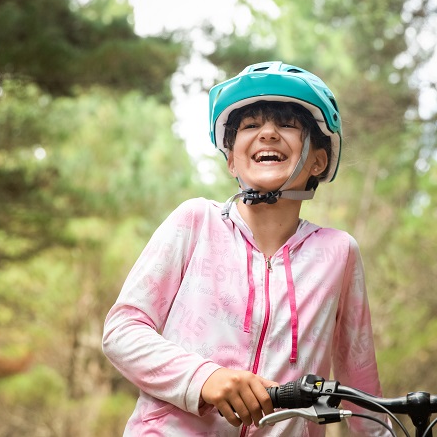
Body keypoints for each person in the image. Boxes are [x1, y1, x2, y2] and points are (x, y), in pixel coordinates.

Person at [102, 61, 387, 436]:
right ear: (232, 160)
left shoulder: (338, 253)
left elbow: (361, 389)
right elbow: (122, 331)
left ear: (318, 160)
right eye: (251, 126)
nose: (267, 133)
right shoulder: (195, 222)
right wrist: (205, 377)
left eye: (286, 124)